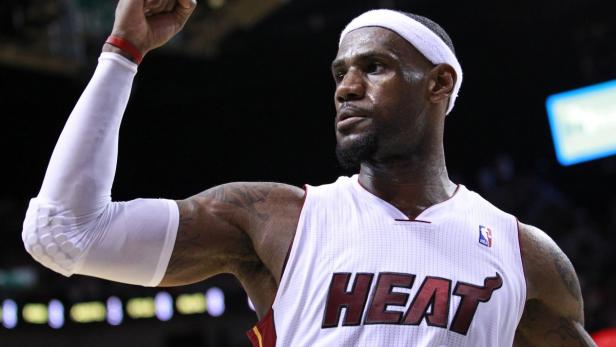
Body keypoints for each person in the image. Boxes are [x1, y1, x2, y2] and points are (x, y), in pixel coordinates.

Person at [21, 0, 597, 346]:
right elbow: (62, 234)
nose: (346, 87)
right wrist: (123, 51)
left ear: (439, 84)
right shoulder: (274, 219)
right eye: (340, 72)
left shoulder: (525, 254)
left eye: (374, 68)